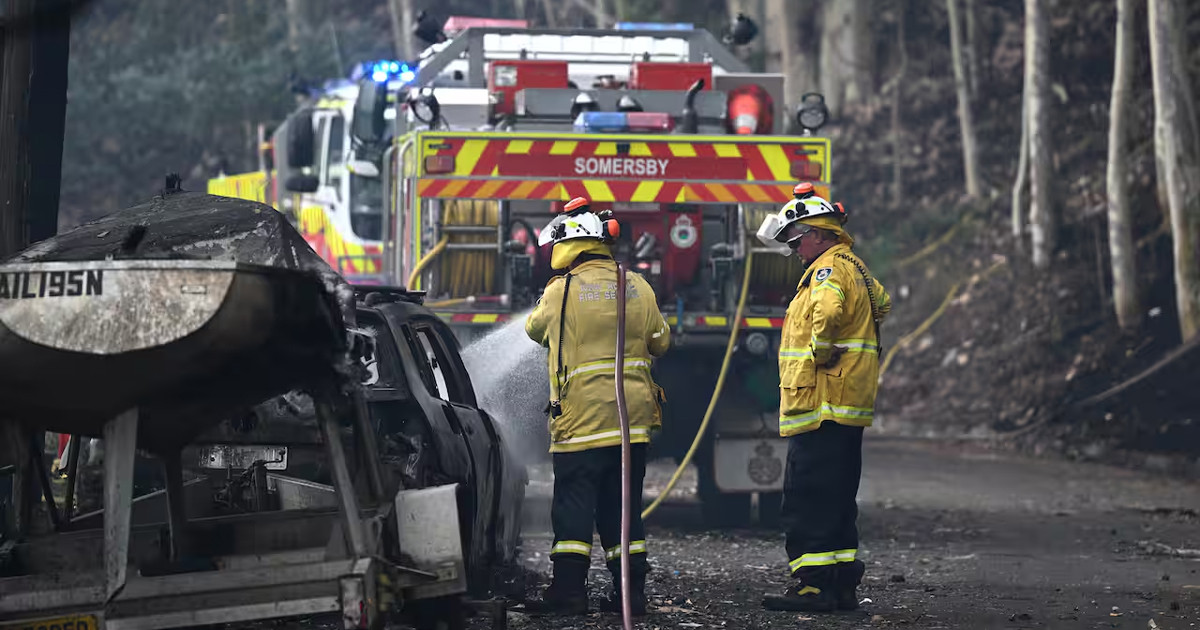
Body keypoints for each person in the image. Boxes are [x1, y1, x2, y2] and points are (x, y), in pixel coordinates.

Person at [523, 197, 670, 616]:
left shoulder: (560, 291)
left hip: (581, 422)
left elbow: (534, 330)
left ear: (569, 244)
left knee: (572, 507)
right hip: (631, 424)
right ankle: (631, 595)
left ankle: (569, 592)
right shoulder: (637, 285)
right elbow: (662, 341)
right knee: (622, 510)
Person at [756, 183, 892, 613]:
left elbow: (830, 312)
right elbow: (882, 304)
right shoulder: (857, 267)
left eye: (797, 240)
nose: (796, 249)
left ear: (818, 232)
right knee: (837, 498)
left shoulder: (826, 271)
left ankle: (813, 586)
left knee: (807, 496)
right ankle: (840, 586)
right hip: (845, 405)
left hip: (821, 403)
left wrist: (822, 347)